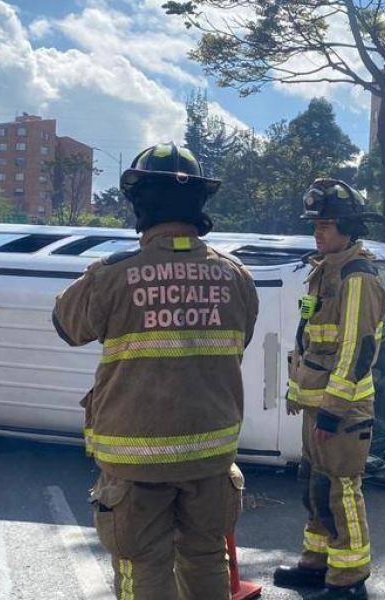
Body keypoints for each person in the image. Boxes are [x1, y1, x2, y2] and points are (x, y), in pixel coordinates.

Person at [53, 142, 260, 600]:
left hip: (135, 460)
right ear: (199, 203)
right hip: (211, 456)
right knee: (207, 560)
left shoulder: (112, 274)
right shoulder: (237, 276)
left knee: (142, 567)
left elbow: (66, 325)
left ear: (140, 202)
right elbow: (236, 343)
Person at [273, 178, 385, 599]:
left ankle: (350, 578)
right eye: (315, 224)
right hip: (315, 405)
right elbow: (309, 338)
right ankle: (317, 564)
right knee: (314, 485)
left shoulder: (358, 277)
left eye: (326, 224)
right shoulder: (324, 271)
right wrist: (295, 389)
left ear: (349, 228)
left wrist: (334, 409)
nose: (317, 231)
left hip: (342, 411)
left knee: (341, 490)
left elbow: (357, 349)